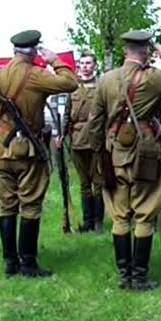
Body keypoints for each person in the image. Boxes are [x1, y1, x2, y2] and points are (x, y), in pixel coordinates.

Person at [88, 30, 161, 290]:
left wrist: (99, 152)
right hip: (144, 155)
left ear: (125, 51)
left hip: (115, 154)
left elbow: (95, 122)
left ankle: (124, 276)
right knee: (145, 214)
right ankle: (139, 277)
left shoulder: (106, 79)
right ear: (147, 51)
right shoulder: (153, 78)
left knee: (120, 216)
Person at [0, 29, 78, 277]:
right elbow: (70, 83)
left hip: (2, 147)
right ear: (34, 50)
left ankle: (9, 262)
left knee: (6, 205)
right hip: (27, 150)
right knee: (30, 204)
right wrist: (54, 60)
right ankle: (27, 262)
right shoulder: (36, 74)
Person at [58, 50, 104, 232]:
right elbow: (67, 113)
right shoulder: (73, 88)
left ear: (94, 65)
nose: (85, 67)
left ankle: (99, 221)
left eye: (88, 63)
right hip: (77, 140)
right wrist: (61, 135)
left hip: (95, 139)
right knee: (84, 183)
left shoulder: (101, 87)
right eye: (82, 64)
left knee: (98, 182)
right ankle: (88, 222)